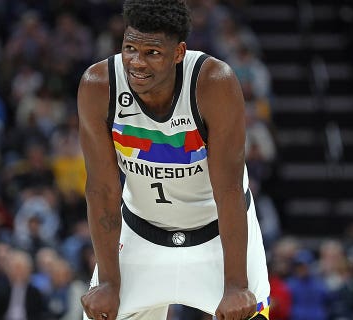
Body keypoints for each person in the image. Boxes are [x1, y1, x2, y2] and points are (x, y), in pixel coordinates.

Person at [77, 1, 270, 319]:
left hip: (218, 239)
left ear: (179, 52)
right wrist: (109, 282)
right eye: (129, 48)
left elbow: (229, 190)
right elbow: (101, 191)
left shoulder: (214, 83)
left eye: (152, 53)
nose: (136, 63)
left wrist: (236, 285)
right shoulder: (99, 85)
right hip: (139, 235)